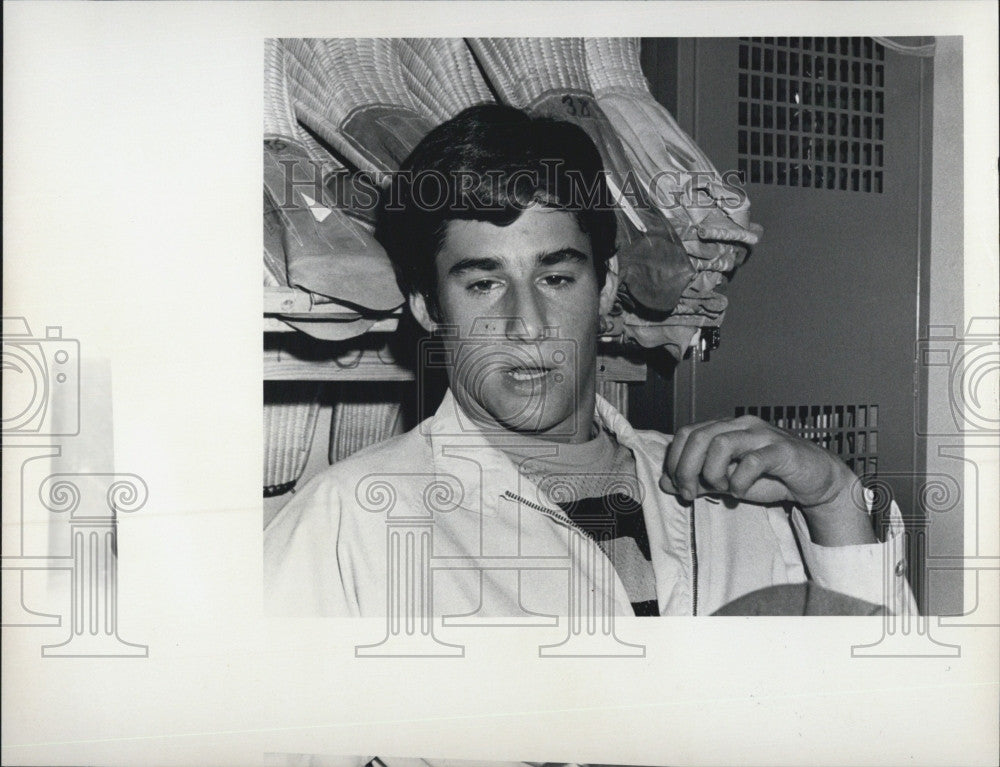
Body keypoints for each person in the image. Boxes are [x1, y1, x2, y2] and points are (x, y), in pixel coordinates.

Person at [264, 104, 914, 617]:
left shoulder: (743, 502)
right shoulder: (349, 524)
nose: (527, 325)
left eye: (556, 277)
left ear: (605, 286)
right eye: (483, 283)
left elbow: (884, 717)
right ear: (429, 308)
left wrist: (833, 500)